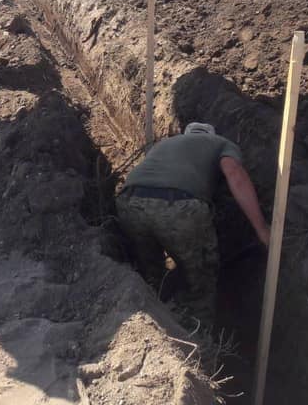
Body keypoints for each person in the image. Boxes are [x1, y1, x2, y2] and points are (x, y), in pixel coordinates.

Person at [115, 122, 269, 327]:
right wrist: (261, 229)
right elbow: (234, 173)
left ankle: (155, 323)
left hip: (129, 201)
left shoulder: (164, 144)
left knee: (150, 276)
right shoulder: (221, 143)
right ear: (212, 134)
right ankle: (199, 336)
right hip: (178, 206)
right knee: (201, 279)